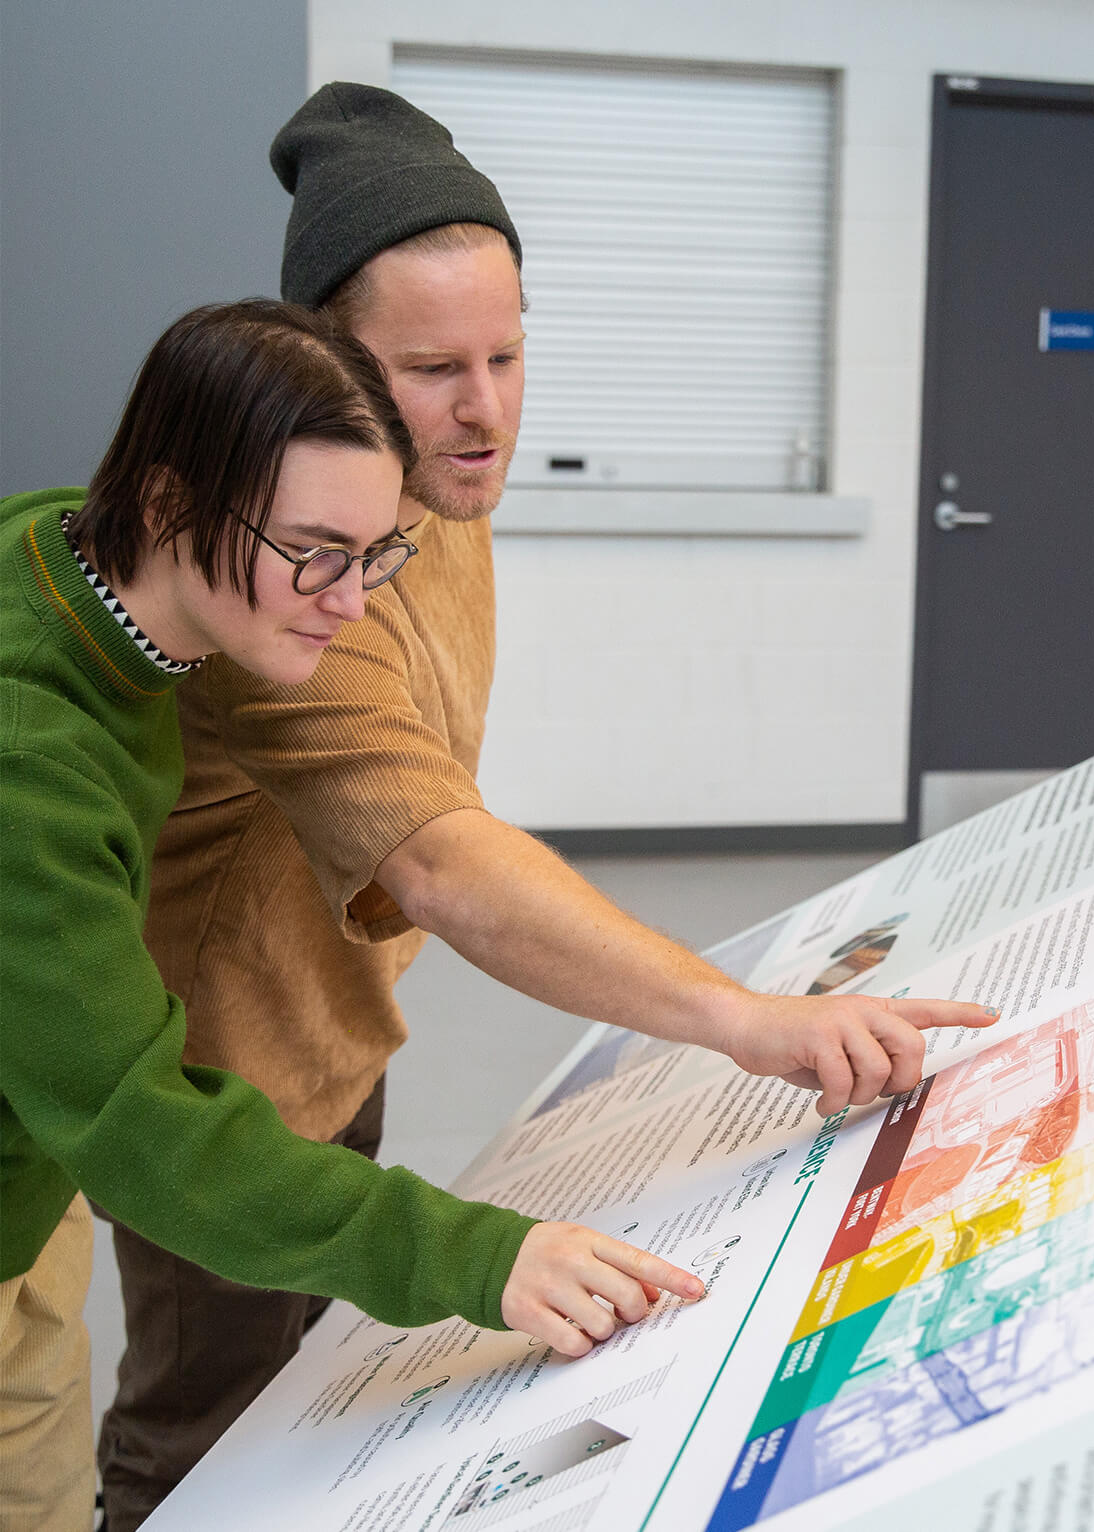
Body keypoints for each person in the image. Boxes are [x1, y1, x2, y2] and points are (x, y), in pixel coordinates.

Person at [100, 85, 995, 1529]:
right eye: (433, 367)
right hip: (214, 1080)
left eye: (508, 354)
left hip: (334, 1021)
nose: (487, 409)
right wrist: (750, 1021)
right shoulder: (291, 581)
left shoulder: (434, 488)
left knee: (304, 1396)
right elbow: (444, 861)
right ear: (323, 371)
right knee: (196, 1434)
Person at [0, 299, 702, 1532]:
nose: (348, 599)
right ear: (168, 506)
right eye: (316, 550)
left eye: (377, 554)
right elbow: (140, 1123)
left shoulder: (74, 556)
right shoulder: (29, 763)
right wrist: (482, 1259)